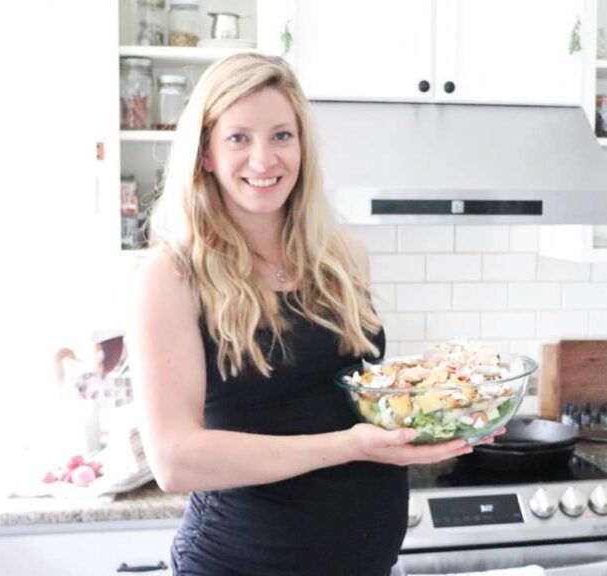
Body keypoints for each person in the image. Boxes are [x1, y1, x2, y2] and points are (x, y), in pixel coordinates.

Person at [129, 53, 501, 576]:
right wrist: (350, 448)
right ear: (206, 154)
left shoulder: (344, 257)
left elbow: (351, 399)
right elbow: (175, 460)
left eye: (282, 136)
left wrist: (439, 407)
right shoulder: (172, 275)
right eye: (239, 138)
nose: (264, 160)